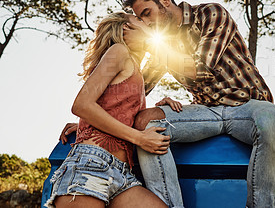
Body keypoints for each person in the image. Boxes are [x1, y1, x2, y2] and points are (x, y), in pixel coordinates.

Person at [122, 0, 275, 208]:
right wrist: (90, 121)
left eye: (147, 13)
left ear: (164, 0)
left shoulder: (211, 13)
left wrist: (149, 45)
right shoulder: (163, 45)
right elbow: (136, 89)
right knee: (149, 125)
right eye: (142, 19)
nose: (148, 24)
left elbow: (201, 67)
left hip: (247, 105)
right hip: (205, 112)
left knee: (271, 121)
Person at [45, 12, 183, 208]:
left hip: (122, 174)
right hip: (91, 164)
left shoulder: (134, 68)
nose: (147, 25)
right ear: (126, 28)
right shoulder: (119, 51)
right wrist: (139, 138)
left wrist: (160, 107)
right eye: (140, 20)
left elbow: (115, 109)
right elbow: (82, 104)